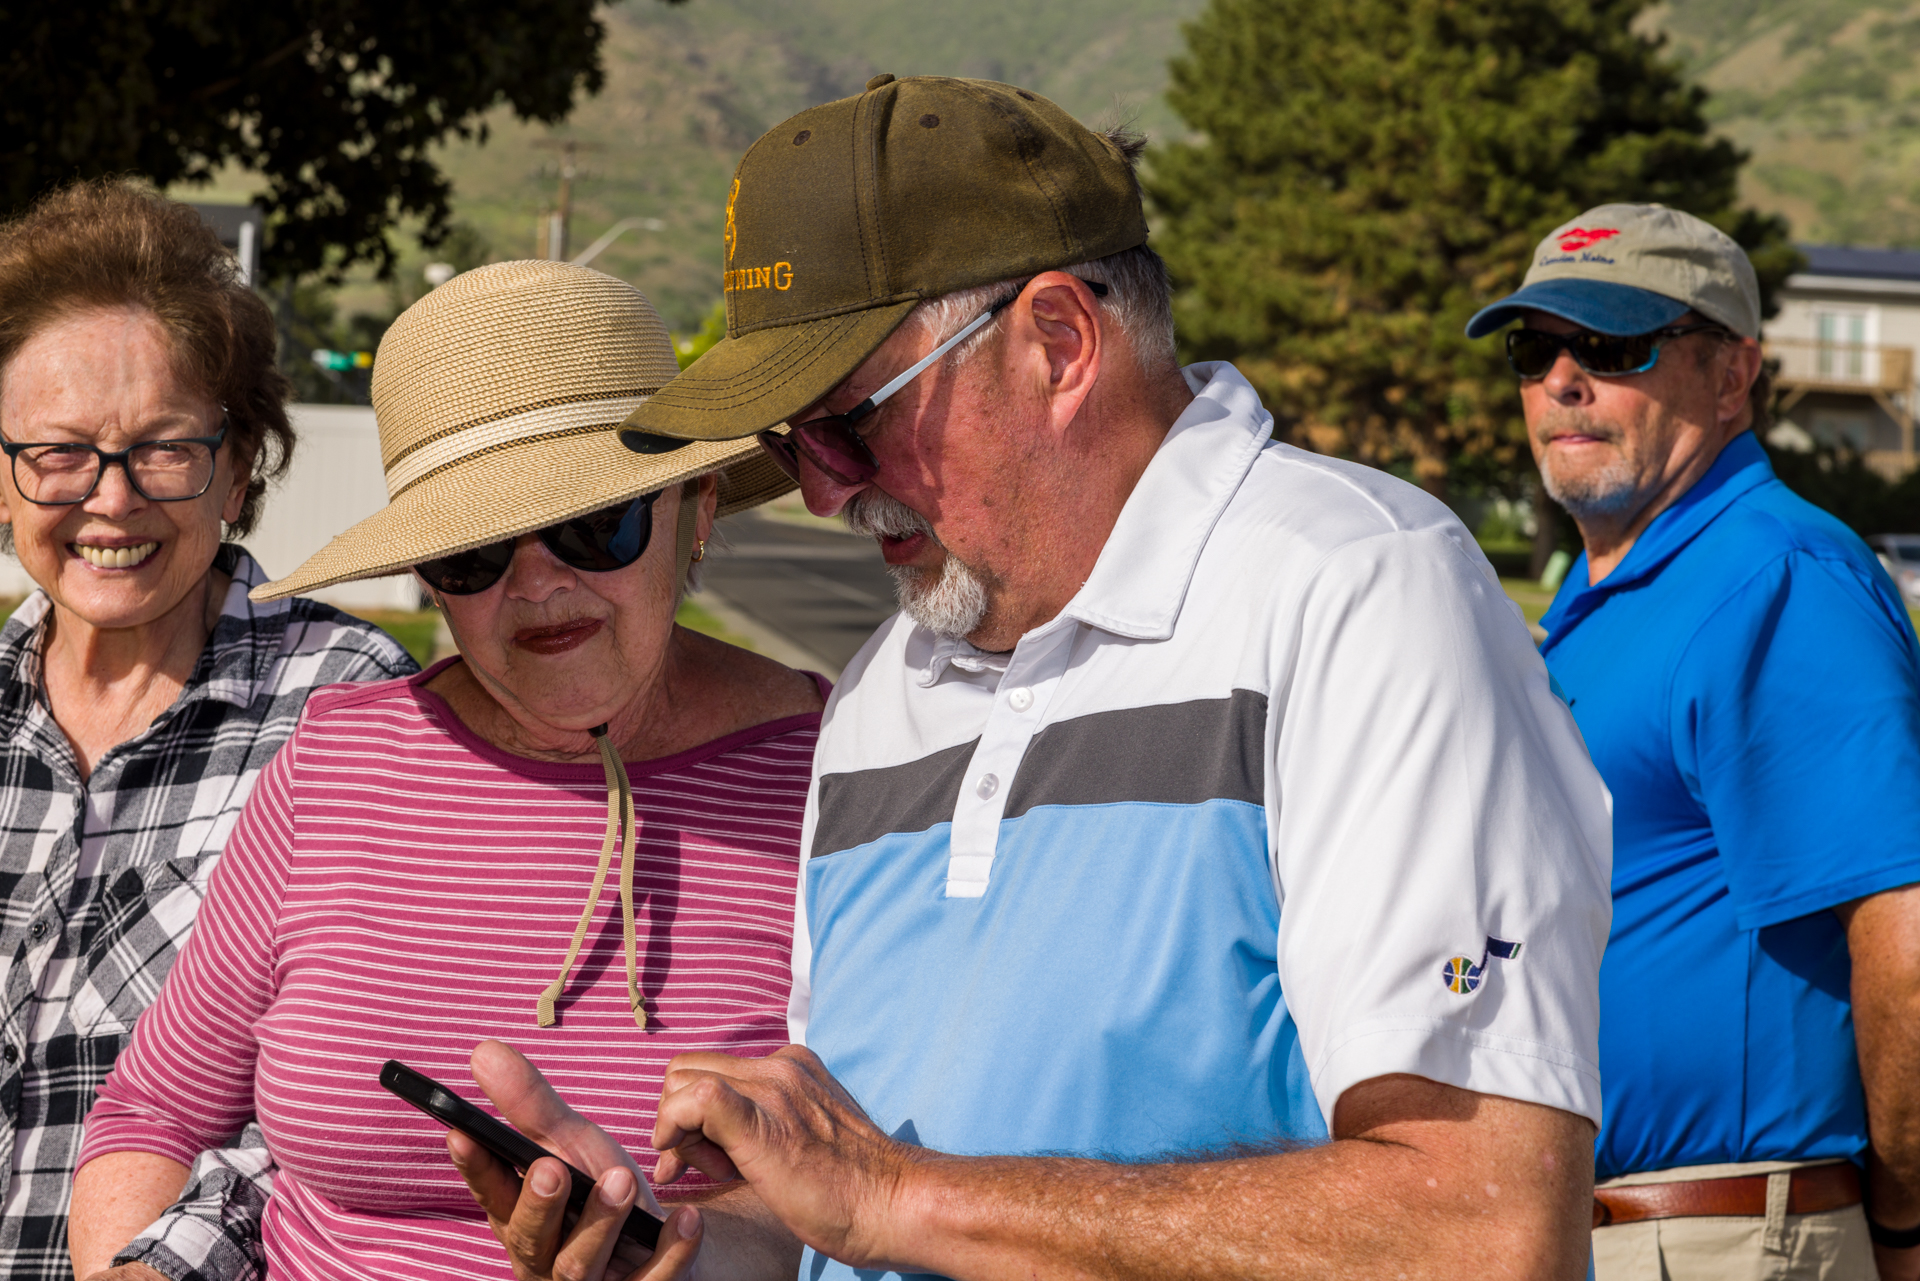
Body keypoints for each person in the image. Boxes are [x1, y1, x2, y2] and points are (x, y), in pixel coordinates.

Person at [458, 75, 1616, 1281]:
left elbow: (1483, 1225)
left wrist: (897, 1197)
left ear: (1059, 344)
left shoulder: (1357, 592)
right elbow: (853, 1221)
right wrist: (679, 1247)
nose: (823, 490)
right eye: (790, 442)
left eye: (848, 422)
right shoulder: (884, 692)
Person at [67, 260, 819, 1281]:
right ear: (427, 576)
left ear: (698, 503)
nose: (538, 582)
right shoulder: (335, 765)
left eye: (595, 524)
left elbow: (888, 1175)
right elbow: (154, 1112)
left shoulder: (839, 776)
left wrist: (691, 1252)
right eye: (473, 550)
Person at [1464, 203, 1920, 1280]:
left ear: (1732, 376)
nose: (1563, 380)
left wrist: (1905, 1230)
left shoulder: (1778, 579)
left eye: (1611, 344)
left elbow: (1905, 941)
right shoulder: (1604, 594)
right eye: (1536, 349)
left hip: (1725, 1235)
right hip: (1595, 1232)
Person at [0, 179, 417, 1280]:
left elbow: (354, 1107)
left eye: (165, 449)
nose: (111, 499)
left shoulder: (347, 707)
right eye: (59, 452)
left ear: (237, 469)